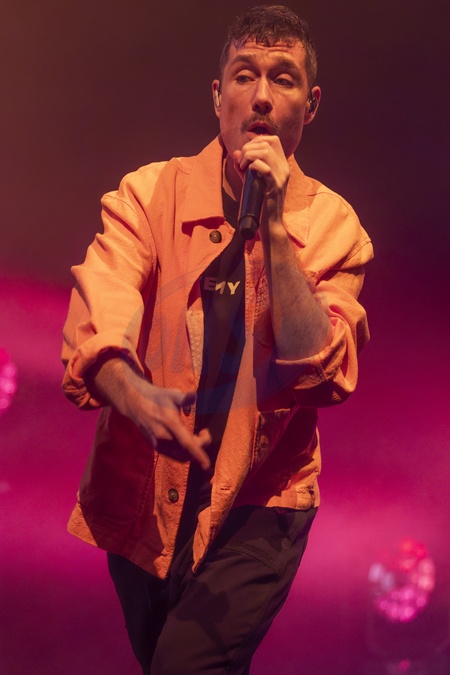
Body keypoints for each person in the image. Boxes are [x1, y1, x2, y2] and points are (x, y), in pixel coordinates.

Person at [62, 5, 373, 674]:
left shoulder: (334, 226)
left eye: (283, 78)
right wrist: (135, 393)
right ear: (217, 94)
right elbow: (100, 311)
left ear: (310, 105)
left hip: (261, 502)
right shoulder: (149, 194)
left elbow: (320, 371)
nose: (261, 96)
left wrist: (275, 226)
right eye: (244, 75)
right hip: (148, 490)